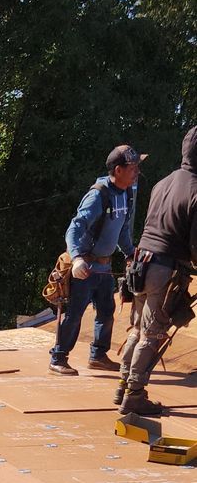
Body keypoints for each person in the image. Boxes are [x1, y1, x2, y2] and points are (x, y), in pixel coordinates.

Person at [116, 126, 197, 422]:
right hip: (163, 269)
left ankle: (124, 385)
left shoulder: (162, 183)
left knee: (137, 330)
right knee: (153, 334)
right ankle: (134, 396)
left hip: (140, 264)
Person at [50, 146, 142, 376]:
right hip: (86, 268)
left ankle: (98, 355)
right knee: (75, 313)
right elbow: (74, 228)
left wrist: (131, 253)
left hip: (104, 267)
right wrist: (77, 258)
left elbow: (121, 230)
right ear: (118, 170)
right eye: (133, 168)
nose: (137, 172)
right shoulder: (98, 195)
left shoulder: (126, 193)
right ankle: (58, 358)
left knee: (106, 310)